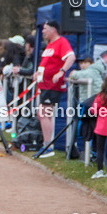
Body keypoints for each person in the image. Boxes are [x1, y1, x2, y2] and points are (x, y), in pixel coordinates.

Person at [34, 20, 75, 157]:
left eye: (45, 29)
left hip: (52, 85)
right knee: (46, 114)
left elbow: (71, 57)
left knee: (43, 114)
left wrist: (62, 71)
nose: (43, 32)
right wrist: (38, 73)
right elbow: (47, 63)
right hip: (44, 84)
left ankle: (47, 146)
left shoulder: (61, 42)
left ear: (53, 30)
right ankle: (48, 144)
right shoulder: (50, 45)